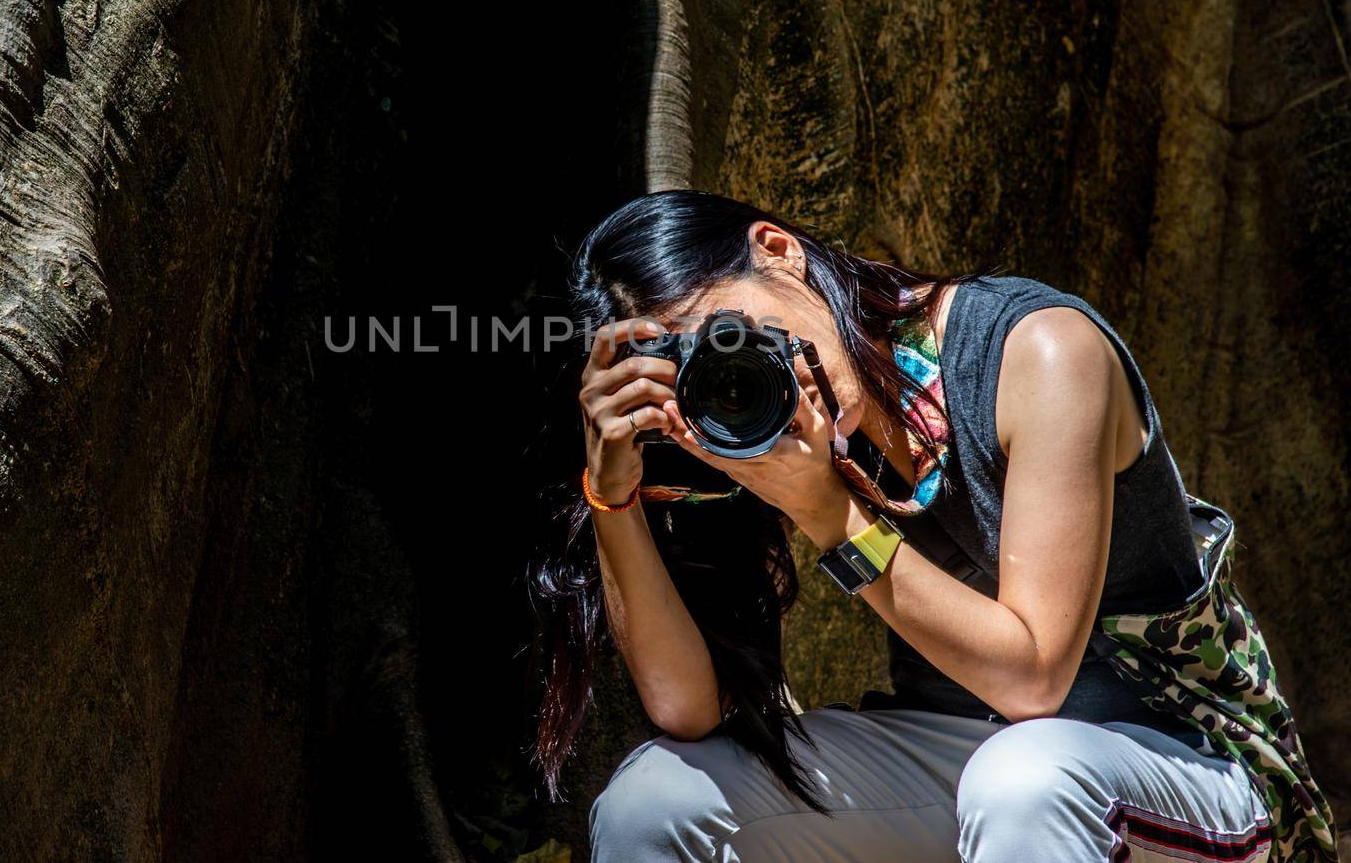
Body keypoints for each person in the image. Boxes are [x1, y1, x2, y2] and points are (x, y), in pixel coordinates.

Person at [528, 189, 1277, 862]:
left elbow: (1033, 679)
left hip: (1178, 756)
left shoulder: (1039, 350)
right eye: (704, 370)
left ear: (779, 252)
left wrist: (829, 514)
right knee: (655, 799)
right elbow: (686, 706)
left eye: (731, 336)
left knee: (1024, 780)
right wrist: (612, 491)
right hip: (969, 756)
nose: (743, 371)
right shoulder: (731, 426)